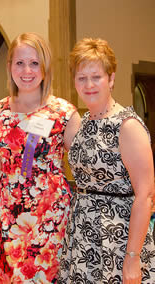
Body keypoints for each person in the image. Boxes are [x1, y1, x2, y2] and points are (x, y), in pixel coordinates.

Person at [0, 32, 81, 283]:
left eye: (34, 63)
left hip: (50, 216)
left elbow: (84, 168)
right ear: (10, 66)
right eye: (20, 63)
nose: (27, 70)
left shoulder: (64, 113)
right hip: (6, 214)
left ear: (45, 67)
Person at [58, 38, 155, 283]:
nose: (89, 85)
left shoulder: (127, 125)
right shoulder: (84, 123)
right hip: (82, 235)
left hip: (117, 238)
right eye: (82, 78)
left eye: (96, 77)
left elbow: (146, 195)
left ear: (111, 79)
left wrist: (132, 257)